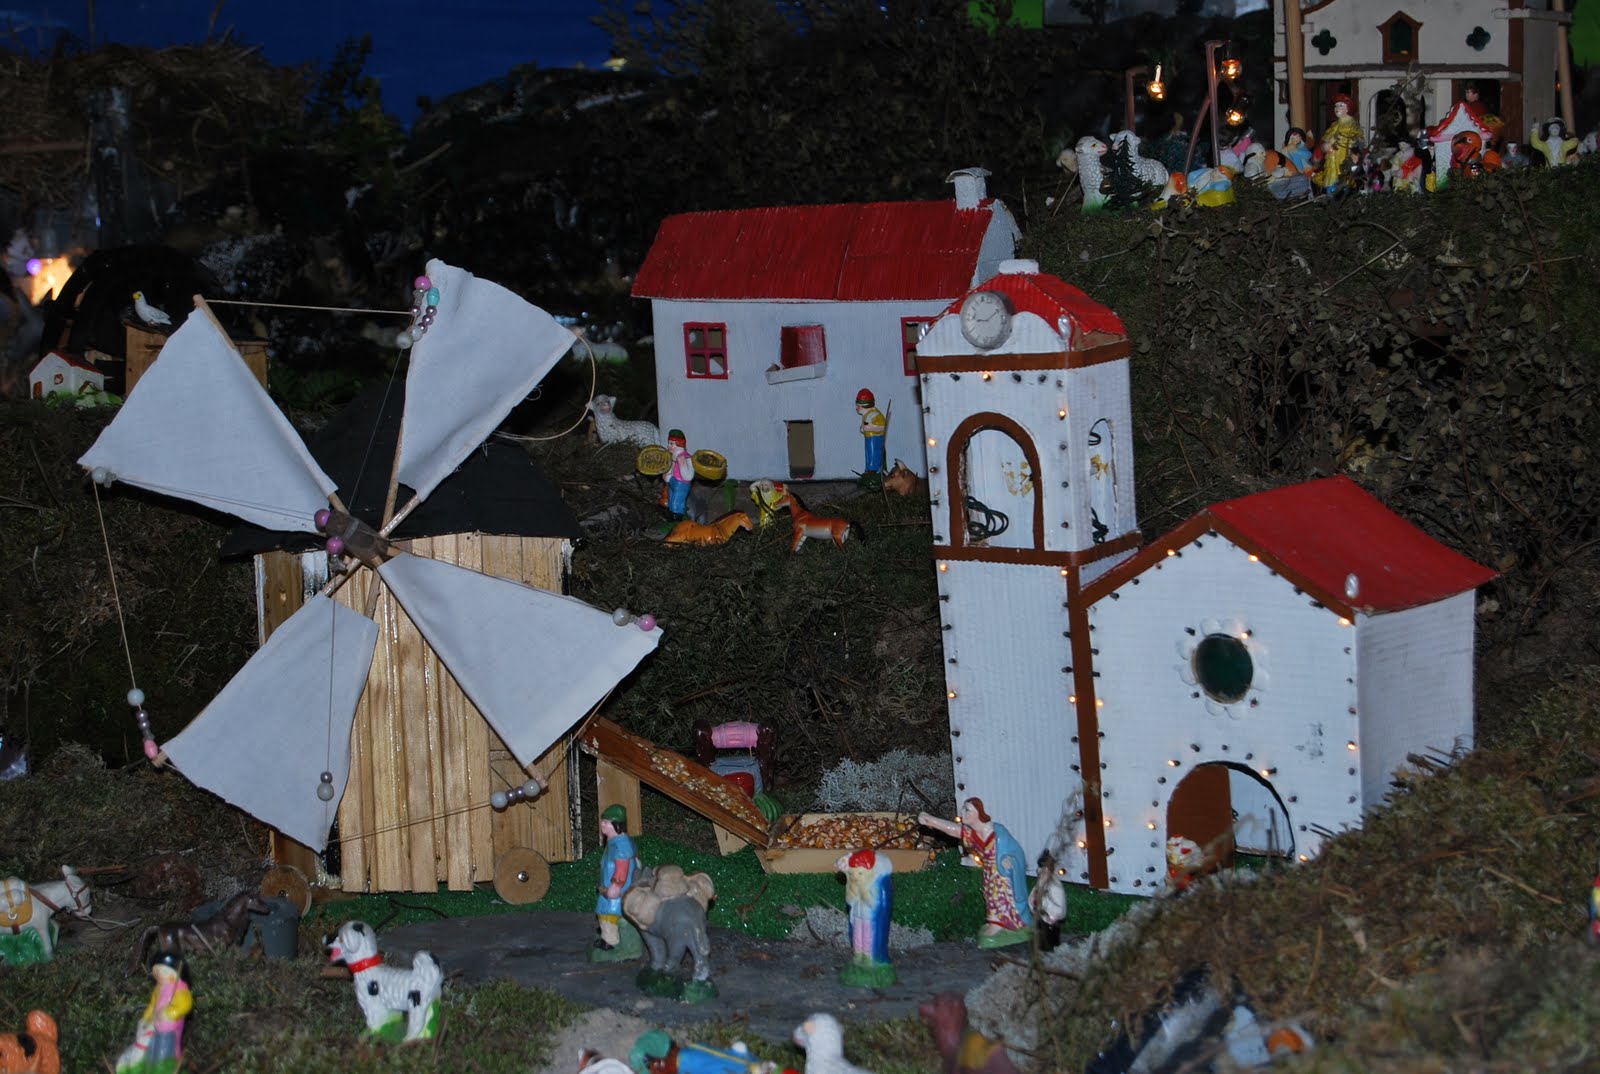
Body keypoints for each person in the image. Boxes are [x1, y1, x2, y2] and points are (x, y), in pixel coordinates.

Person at [918, 797, 1033, 948]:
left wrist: (1008, 860)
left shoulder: (998, 833)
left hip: (1004, 875)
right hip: (990, 873)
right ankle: (995, 923)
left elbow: (1015, 851)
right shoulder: (973, 834)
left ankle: (1008, 924)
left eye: (968, 810)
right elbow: (955, 830)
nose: (963, 813)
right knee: (991, 898)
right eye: (963, 809)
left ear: (979, 813)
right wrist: (931, 821)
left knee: (1001, 899)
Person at [117, 952, 191, 1073]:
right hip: (155, 1025)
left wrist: (170, 1013)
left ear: (174, 974)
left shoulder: (180, 990)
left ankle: (164, 1069)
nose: (159, 975)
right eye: (156, 971)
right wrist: (146, 1018)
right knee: (151, 1048)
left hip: (169, 1029)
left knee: (164, 1050)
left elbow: (185, 1005)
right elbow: (152, 1005)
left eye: (163, 971)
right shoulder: (159, 988)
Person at [594, 803, 638, 953]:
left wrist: (616, 886)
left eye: (606, 822)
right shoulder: (614, 841)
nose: (602, 825)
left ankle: (610, 940)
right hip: (609, 885)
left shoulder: (621, 845)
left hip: (618, 889)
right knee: (604, 910)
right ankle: (606, 931)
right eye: (603, 821)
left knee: (607, 913)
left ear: (616, 825)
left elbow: (622, 867)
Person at [1314, 94, 1363, 194]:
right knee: (1330, 183)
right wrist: (1325, 147)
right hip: (1331, 160)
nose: (1337, 108)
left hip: (1344, 159)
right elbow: (1324, 142)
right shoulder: (1333, 126)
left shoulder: (1353, 125)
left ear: (1348, 108)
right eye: (1336, 105)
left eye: (1341, 105)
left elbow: (1357, 142)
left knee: (1345, 182)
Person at [855, 388, 886, 480]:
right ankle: (868, 469)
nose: (857, 408)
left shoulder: (874, 414)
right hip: (869, 438)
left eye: (859, 406)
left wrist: (870, 427)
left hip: (876, 439)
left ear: (865, 405)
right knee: (868, 454)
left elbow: (883, 427)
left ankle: (874, 470)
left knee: (874, 454)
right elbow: (864, 427)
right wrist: (864, 428)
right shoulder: (867, 414)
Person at [662, 429, 694, 519]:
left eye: (672, 443)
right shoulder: (673, 456)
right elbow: (671, 467)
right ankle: (671, 515)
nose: (669, 446)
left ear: (680, 444)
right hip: (673, 481)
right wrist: (667, 475)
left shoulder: (686, 458)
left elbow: (688, 476)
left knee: (677, 502)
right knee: (671, 499)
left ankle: (677, 518)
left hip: (681, 484)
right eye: (669, 443)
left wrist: (681, 463)